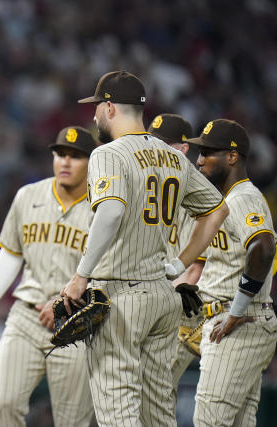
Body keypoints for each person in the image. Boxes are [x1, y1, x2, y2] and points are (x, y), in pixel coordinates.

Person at [60, 71, 229, 426]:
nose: (93, 116)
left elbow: (110, 211)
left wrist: (80, 276)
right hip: (163, 295)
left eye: (96, 108)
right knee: (158, 414)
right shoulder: (175, 159)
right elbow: (217, 210)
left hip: (120, 294)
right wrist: (178, 264)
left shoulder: (108, 153)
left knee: (117, 410)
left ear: (109, 107)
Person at [0, 126, 97, 427]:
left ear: (91, 162)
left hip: (75, 323)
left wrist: (68, 301)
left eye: (75, 157)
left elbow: (110, 273)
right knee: (4, 404)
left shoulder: (103, 207)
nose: (65, 162)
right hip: (26, 317)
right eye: (60, 154)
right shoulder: (28, 196)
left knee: (72, 421)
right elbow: (11, 254)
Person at [186, 119, 277, 427]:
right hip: (236, 321)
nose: (199, 160)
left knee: (209, 422)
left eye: (208, 152)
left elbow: (263, 249)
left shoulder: (244, 197)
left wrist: (235, 312)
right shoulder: (225, 201)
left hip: (239, 323)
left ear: (232, 157)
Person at [148, 114, 205, 404]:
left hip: (180, 316)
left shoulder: (196, 196)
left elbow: (195, 269)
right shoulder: (151, 190)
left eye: (161, 145)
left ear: (182, 150)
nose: (152, 152)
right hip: (153, 310)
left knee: (153, 396)